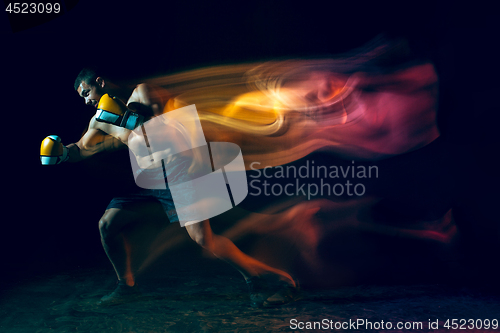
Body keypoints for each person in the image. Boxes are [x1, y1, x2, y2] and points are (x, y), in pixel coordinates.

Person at [40, 67, 298, 307]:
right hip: (150, 181)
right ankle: (127, 287)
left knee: (203, 239)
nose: (86, 101)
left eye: (86, 93)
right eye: (82, 98)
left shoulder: (143, 92)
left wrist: (130, 118)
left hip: (181, 172)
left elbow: (180, 127)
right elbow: (83, 148)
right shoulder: (100, 120)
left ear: (100, 82)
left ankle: (266, 278)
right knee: (108, 224)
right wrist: (60, 152)